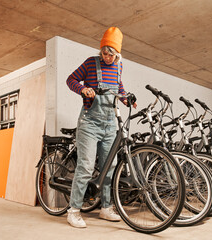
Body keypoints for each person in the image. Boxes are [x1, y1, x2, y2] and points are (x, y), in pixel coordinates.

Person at [66, 27, 137, 228]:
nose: (106, 56)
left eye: (110, 53)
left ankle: (106, 208)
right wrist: (83, 89)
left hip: (109, 124)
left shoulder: (118, 67)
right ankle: (73, 211)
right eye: (104, 52)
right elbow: (70, 80)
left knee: (110, 166)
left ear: (117, 54)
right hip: (89, 122)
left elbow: (118, 88)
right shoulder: (91, 63)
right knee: (86, 166)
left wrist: (126, 99)